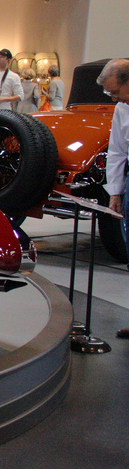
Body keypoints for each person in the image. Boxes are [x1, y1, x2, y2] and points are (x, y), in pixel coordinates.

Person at [98, 59, 129, 338]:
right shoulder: (121, 109)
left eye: (114, 91)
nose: (113, 97)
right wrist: (115, 191)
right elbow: (117, 151)